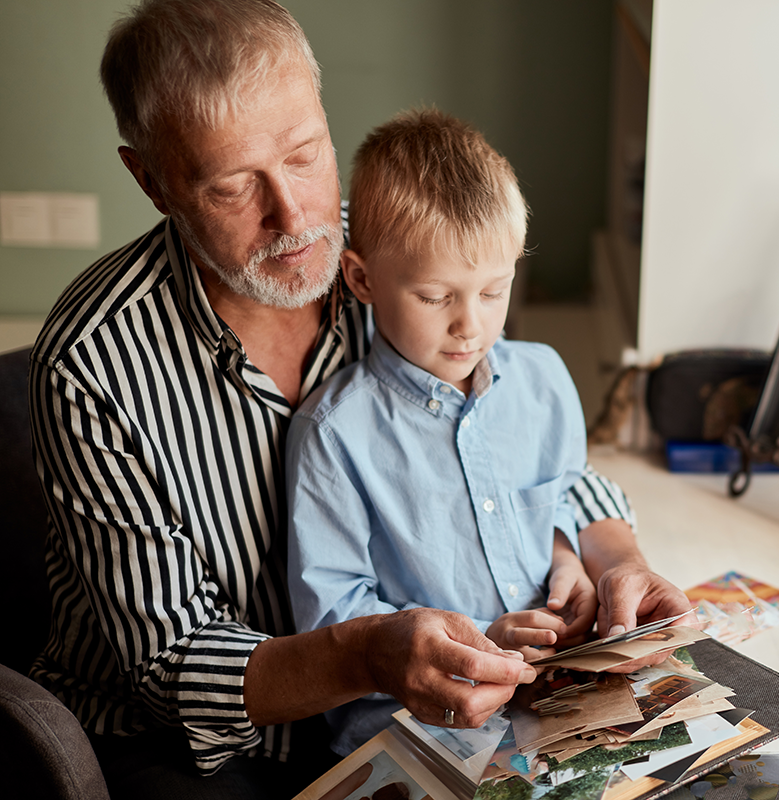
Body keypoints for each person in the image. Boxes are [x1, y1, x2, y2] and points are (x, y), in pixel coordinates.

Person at [26, 1, 690, 796]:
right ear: (152, 180)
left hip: (422, 705)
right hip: (190, 740)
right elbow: (170, 668)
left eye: (306, 154)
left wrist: (599, 555)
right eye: (234, 187)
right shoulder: (92, 362)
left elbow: (513, 436)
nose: (298, 218)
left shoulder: (398, 257)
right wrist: (368, 653)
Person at [286, 108, 634, 754]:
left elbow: (564, 493)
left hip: (557, 705)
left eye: (493, 291)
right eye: (435, 297)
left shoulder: (543, 381)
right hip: (417, 734)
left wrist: (567, 560)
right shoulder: (334, 435)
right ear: (362, 279)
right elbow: (334, 618)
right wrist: (480, 640)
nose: (469, 327)